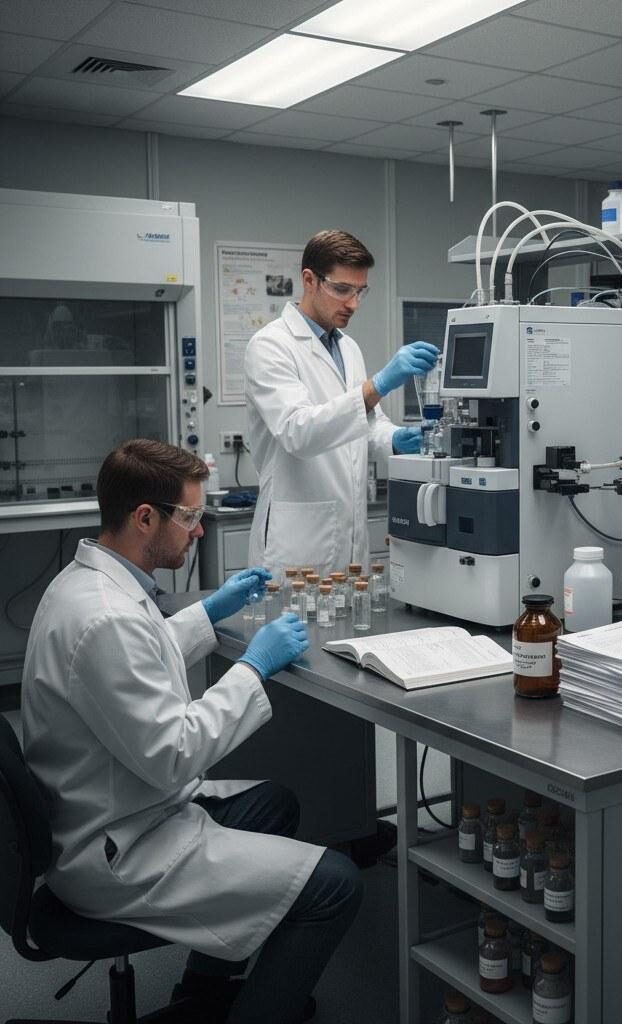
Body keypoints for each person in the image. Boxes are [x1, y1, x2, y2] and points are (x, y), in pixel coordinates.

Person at [20, 439, 364, 1024]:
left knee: (273, 804)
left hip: (113, 808)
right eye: (190, 517)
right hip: (117, 851)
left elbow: (136, 664)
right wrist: (254, 667)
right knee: (337, 884)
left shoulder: (91, 584)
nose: (198, 531)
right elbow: (174, 753)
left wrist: (210, 612)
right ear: (145, 517)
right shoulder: (104, 616)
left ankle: (200, 996)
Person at [245, 229, 438, 574]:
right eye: (342, 289)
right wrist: (377, 384)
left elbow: (366, 423)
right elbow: (298, 431)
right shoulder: (270, 345)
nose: (353, 304)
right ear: (309, 280)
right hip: (296, 545)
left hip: (350, 541)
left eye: (360, 291)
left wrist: (392, 438)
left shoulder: (348, 348)